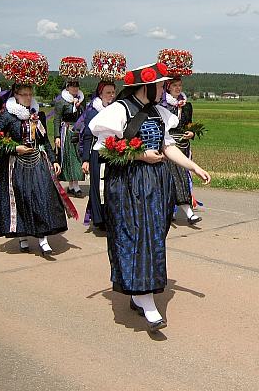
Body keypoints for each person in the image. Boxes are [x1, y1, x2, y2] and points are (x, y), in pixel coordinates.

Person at [89, 62, 211, 332]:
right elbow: (104, 149)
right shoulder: (119, 111)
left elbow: (167, 147)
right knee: (135, 236)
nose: (162, 89)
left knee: (154, 236)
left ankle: (139, 291)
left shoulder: (159, 113)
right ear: (145, 85)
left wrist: (195, 167)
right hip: (128, 184)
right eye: (159, 85)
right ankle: (148, 302)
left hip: (156, 184)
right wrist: (139, 154)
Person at [0, 51, 78, 255]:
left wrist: (54, 159)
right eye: (24, 94)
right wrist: (15, 147)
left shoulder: (37, 114)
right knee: (21, 198)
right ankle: (22, 236)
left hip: (38, 161)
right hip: (15, 164)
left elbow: (43, 139)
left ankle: (43, 238)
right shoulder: (7, 115)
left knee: (43, 196)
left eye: (30, 94)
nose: (28, 97)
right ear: (16, 95)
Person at [161, 76, 201, 224]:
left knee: (179, 177)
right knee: (177, 177)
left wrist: (192, 133)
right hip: (168, 145)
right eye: (175, 85)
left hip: (183, 146)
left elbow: (189, 125)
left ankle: (170, 210)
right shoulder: (163, 105)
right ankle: (189, 213)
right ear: (168, 87)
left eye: (180, 85)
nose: (178, 88)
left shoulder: (186, 106)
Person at [80, 81, 116, 231]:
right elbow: (87, 136)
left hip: (114, 151)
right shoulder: (93, 112)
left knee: (112, 185)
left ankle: (112, 216)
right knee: (98, 186)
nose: (111, 96)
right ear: (100, 94)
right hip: (98, 152)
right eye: (108, 93)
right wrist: (85, 159)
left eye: (113, 92)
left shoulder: (117, 110)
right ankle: (100, 218)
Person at [54, 80, 85, 197]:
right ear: (67, 87)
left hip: (78, 131)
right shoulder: (61, 101)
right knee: (71, 158)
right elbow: (56, 119)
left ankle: (72, 186)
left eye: (77, 85)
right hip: (67, 132)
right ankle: (75, 186)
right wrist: (57, 136)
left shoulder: (81, 100)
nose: (75, 88)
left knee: (78, 156)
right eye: (72, 86)